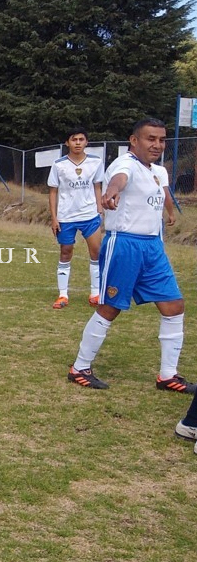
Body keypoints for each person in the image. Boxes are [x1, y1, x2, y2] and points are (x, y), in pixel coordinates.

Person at [67, 118, 194, 393]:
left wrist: (170, 212)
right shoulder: (124, 163)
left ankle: (168, 375)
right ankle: (80, 368)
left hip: (153, 247)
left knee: (174, 306)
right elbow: (118, 180)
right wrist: (112, 192)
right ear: (134, 141)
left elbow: (163, 193)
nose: (157, 144)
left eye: (162, 140)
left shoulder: (158, 171)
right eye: (151, 139)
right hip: (124, 245)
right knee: (110, 308)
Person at [47, 129, 104, 309]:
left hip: (89, 215)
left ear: (86, 142)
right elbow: (53, 191)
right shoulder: (59, 165)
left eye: (81, 139)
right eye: (74, 139)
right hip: (66, 217)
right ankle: (63, 295)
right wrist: (54, 218)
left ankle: (95, 293)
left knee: (96, 253)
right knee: (66, 252)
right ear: (67, 143)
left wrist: (99, 209)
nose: (78, 143)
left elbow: (97, 186)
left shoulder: (96, 162)